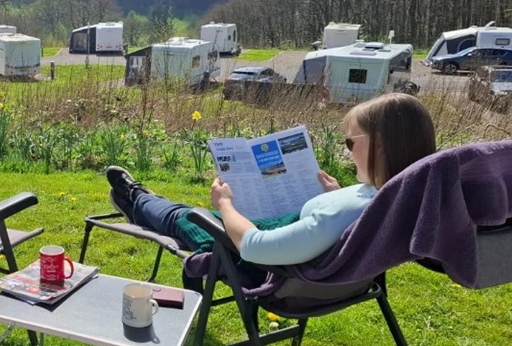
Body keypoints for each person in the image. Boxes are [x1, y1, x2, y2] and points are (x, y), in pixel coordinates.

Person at [106, 93, 437, 277]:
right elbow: (345, 220)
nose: (348, 154)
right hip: (312, 255)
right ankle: (141, 199)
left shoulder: (351, 211)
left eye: (351, 144)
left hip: (263, 263)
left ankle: (134, 199)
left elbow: (254, 246)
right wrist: (335, 197)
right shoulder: (398, 202)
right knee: (185, 213)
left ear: (379, 146)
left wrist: (224, 205)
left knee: (184, 217)